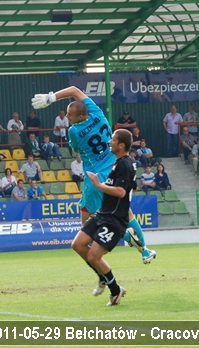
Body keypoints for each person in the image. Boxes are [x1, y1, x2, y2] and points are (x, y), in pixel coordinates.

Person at [71, 129, 136, 306]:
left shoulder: (124, 164)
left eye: (113, 140)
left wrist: (98, 185)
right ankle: (104, 277)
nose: (109, 142)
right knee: (77, 244)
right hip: (103, 214)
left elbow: (122, 192)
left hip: (114, 219)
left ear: (121, 145)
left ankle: (115, 290)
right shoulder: (120, 163)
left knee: (93, 257)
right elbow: (130, 187)